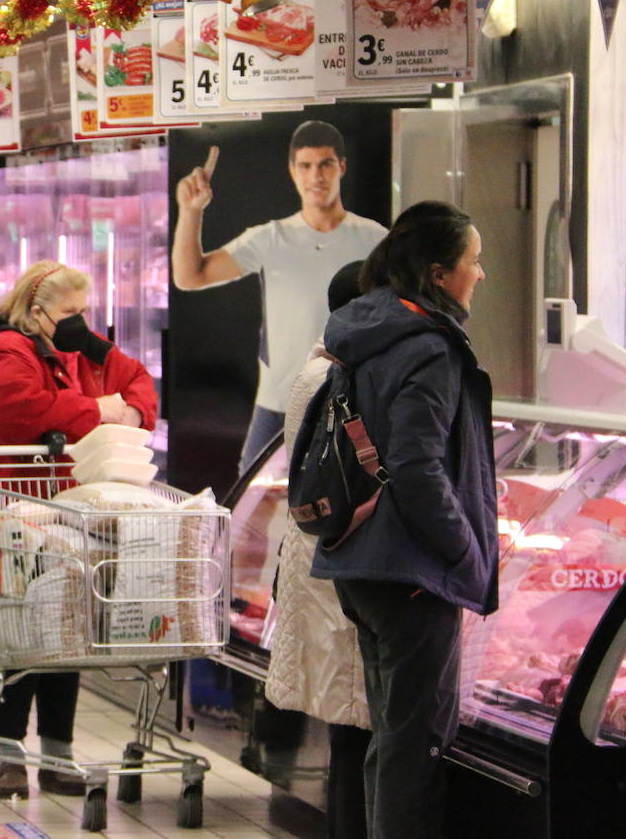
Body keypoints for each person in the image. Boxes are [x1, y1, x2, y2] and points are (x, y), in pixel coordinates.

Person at [309, 202, 496, 839]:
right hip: (411, 569)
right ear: (441, 273)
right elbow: (417, 467)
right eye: (474, 261)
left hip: (361, 560)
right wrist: (467, 554)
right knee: (414, 750)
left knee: (391, 740)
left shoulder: (365, 332)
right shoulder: (429, 347)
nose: (482, 274)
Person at [0, 260, 157, 799]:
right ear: (36, 311)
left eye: (85, 313)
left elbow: (138, 384)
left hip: (59, 515)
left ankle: (57, 754)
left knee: (65, 630)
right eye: (71, 314)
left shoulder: (73, 354)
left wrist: (124, 398)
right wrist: (98, 409)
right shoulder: (6, 350)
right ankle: (8, 755)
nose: (80, 323)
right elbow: (15, 410)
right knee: (18, 637)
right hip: (8, 515)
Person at [171, 121, 387, 474]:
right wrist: (191, 211)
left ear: (341, 167)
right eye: (305, 165)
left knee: (354, 505)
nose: (315, 175)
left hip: (352, 404)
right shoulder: (270, 238)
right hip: (278, 404)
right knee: (252, 508)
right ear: (292, 171)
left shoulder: (376, 241)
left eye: (325, 164)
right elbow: (189, 276)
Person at [264, 260, 371, 839]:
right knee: (354, 726)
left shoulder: (319, 369)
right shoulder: (336, 378)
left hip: (324, 564)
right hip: (341, 564)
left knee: (348, 726)